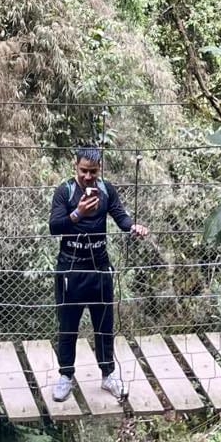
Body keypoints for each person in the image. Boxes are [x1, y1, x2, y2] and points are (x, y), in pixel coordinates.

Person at [48, 146, 149, 402]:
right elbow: (54, 226)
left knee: (104, 326)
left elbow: (120, 216)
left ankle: (108, 375)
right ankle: (65, 376)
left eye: (93, 171)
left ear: (99, 169)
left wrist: (132, 227)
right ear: (76, 167)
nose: (88, 176)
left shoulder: (106, 190)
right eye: (84, 171)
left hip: (100, 269)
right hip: (71, 269)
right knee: (68, 326)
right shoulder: (65, 191)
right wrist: (78, 213)